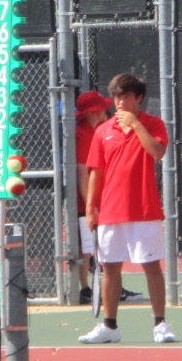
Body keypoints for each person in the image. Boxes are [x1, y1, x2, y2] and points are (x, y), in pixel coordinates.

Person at [78, 73, 176, 344]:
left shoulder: (153, 124)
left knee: (151, 266)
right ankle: (109, 327)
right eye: (116, 97)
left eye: (126, 96)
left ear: (139, 98)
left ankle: (160, 324)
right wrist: (90, 209)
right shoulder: (102, 131)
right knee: (110, 268)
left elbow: (157, 152)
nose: (120, 102)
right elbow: (95, 172)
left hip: (144, 210)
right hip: (110, 212)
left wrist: (135, 125)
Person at [74, 90, 143, 305]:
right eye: (101, 109)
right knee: (88, 249)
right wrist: (91, 205)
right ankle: (86, 289)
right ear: (93, 112)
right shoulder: (85, 134)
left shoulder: (96, 131)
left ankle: (112, 287)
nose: (105, 112)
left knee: (102, 247)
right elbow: (83, 172)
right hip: (88, 202)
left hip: (100, 199)